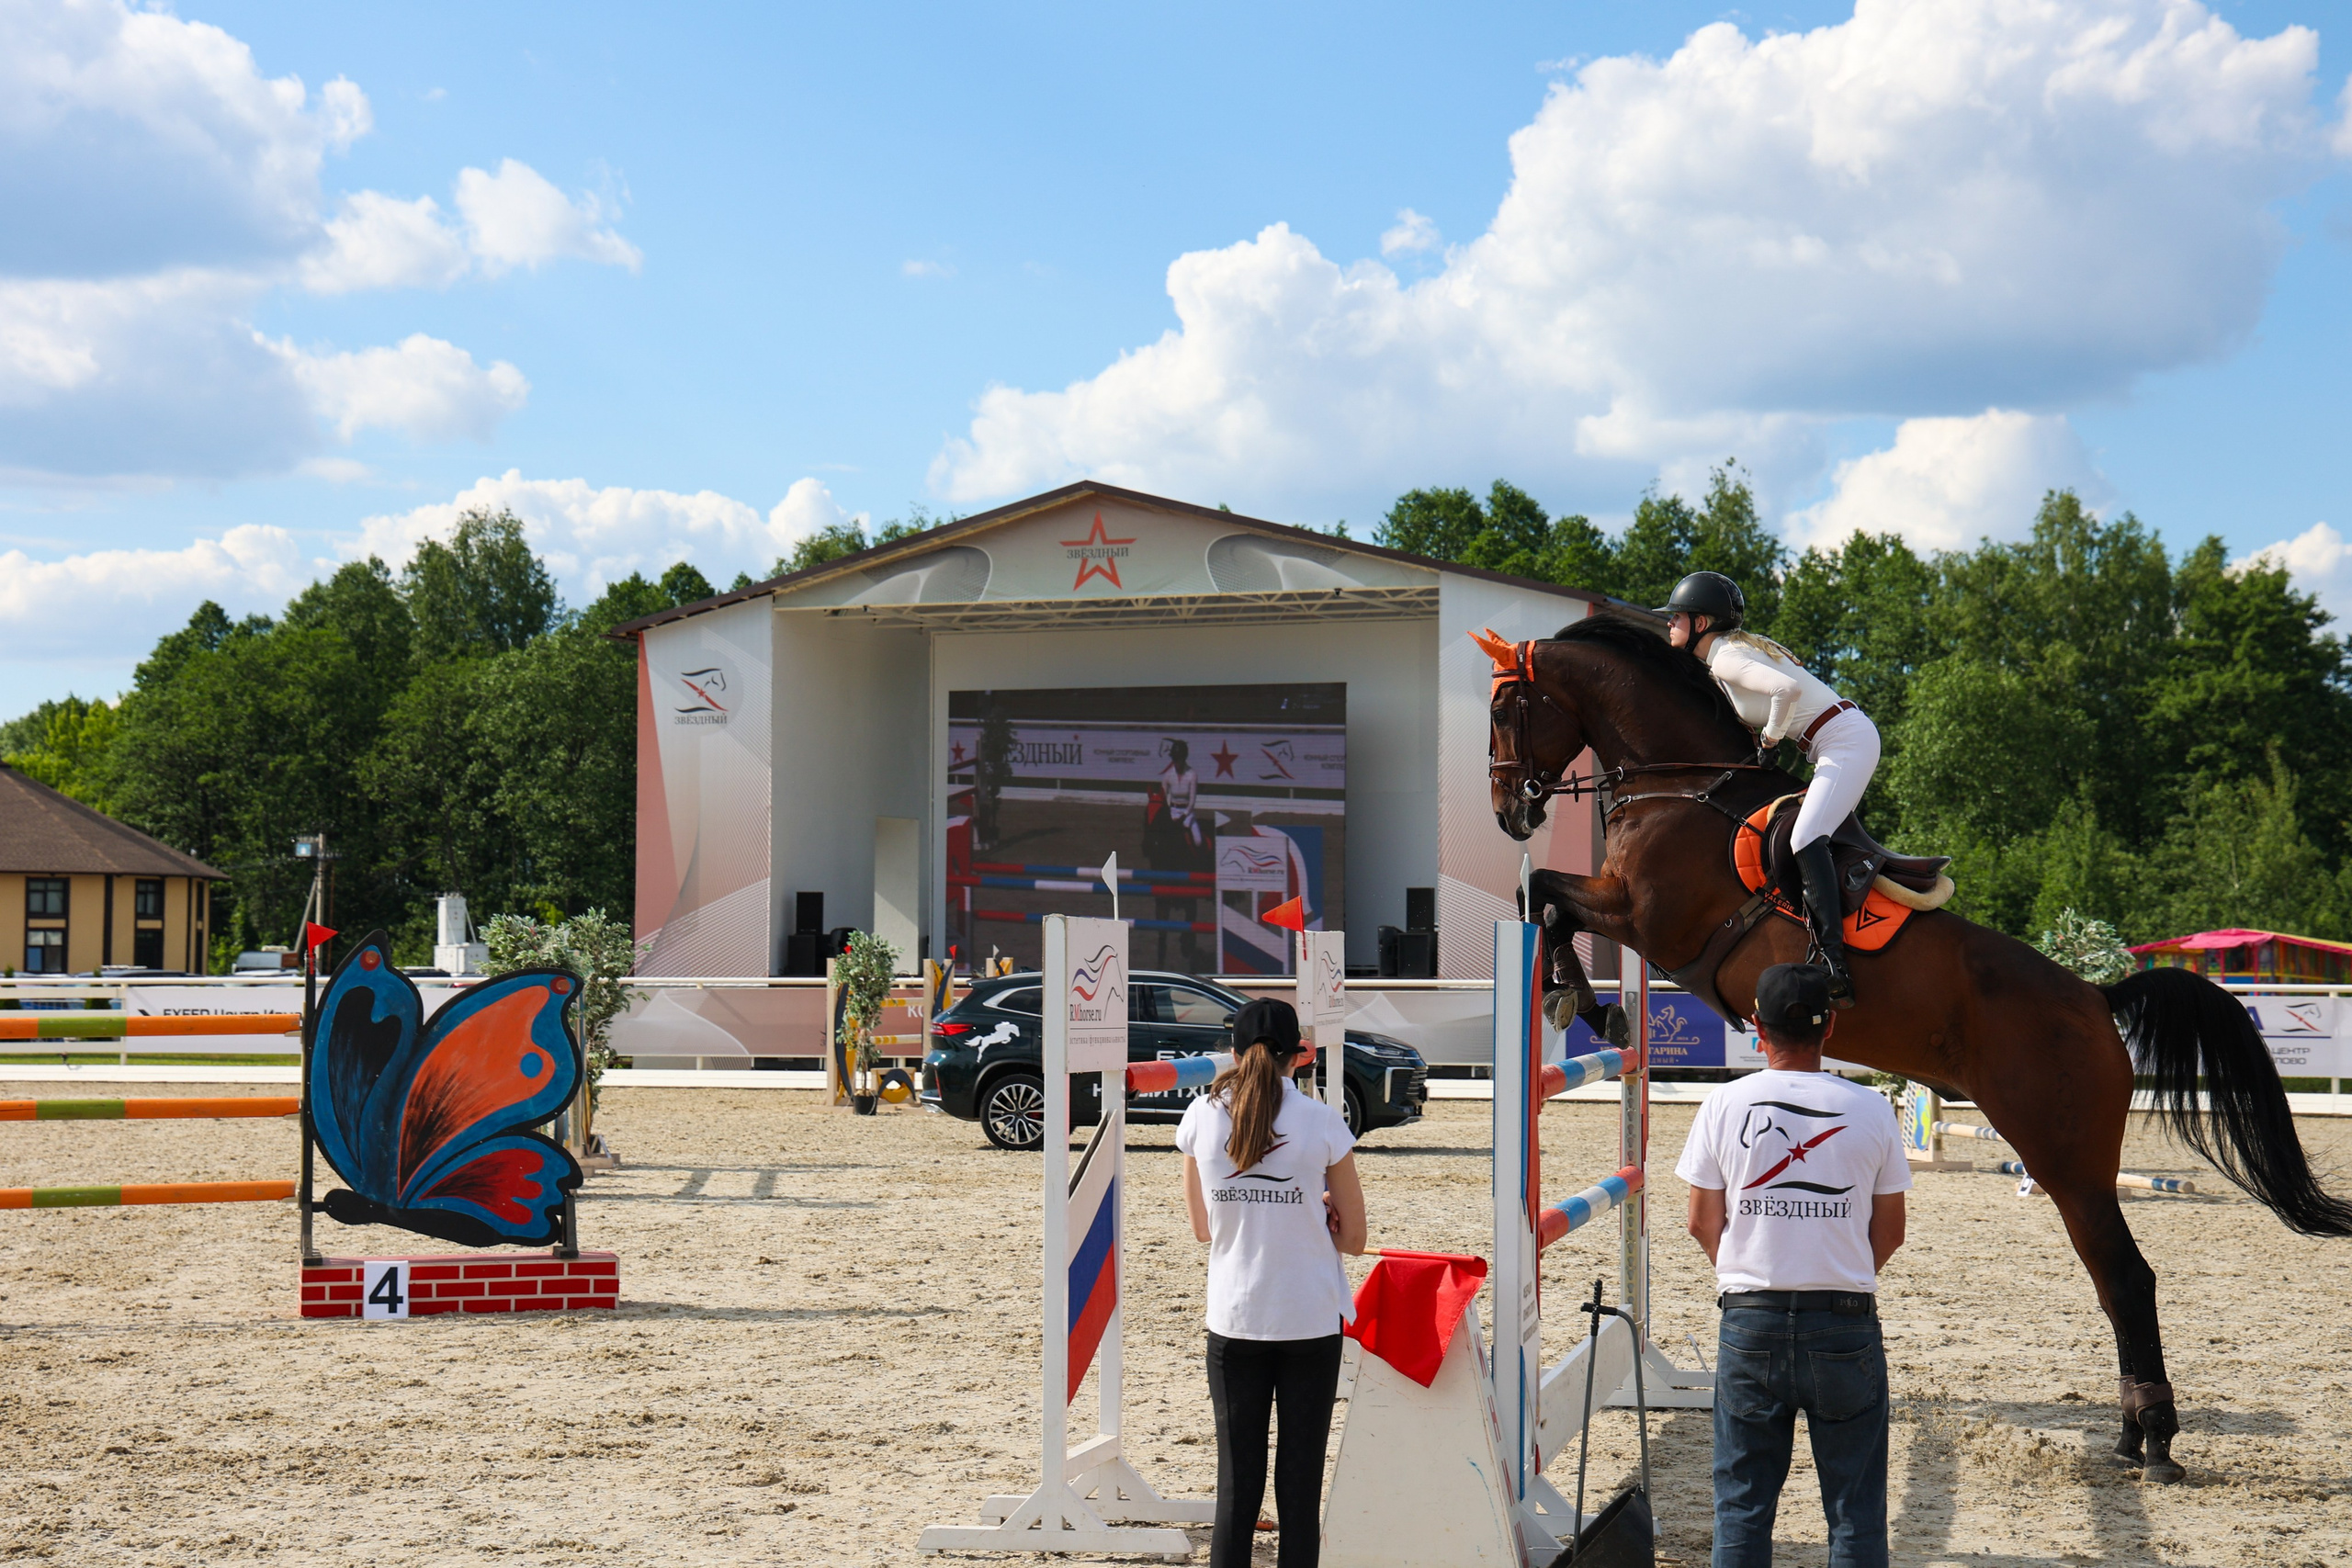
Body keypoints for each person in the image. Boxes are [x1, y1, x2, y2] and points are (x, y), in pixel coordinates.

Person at [1677, 964, 1911, 1568]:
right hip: (1844, 1322)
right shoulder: (1872, 1107)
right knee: (1855, 1514)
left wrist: (1749, 1267)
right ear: (1830, 1024)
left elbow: (1702, 1221)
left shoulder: (1724, 1103)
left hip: (1750, 1319)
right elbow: (1890, 1231)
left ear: (1758, 1026)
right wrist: (1837, 1266)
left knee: (1742, 1511)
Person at [1178, 998, 1366, 1568]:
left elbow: (1203, 1229)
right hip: (1308, 1316)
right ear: (1298, 1058)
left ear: (1233, 1053)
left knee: (1237, 1485)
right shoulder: (1322, 1121)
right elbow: (1355, 1238)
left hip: (1236, 1317)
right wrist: (1323, 1208)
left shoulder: (1201, 1117)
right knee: (1300, 1484)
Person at [1657, 570, 1880, 1004]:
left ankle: (1834, 963)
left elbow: (1786, 689)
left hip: (1845, 741)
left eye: (1676, 617)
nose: (1669, 624)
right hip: (1837, 738)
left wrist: (1771, 740)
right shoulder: (1726, 653)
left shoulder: (1725, 657)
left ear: (1701, 623)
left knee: (1804, 838)